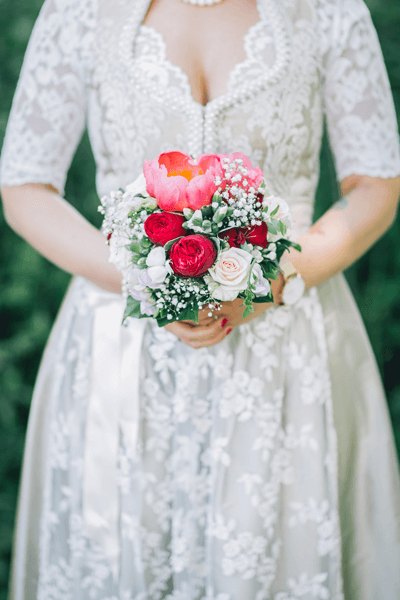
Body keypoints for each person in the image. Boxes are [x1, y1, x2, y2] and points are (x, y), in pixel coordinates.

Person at [1, 0, 400, 597]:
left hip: (285, 346)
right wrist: (144, 280)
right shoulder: (79, 9)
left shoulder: (329, 9)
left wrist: (272, 281)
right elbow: (25, 186)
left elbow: (376, 183)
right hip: (122, 348)